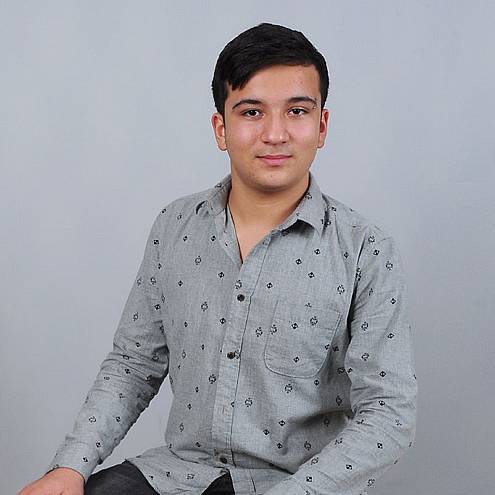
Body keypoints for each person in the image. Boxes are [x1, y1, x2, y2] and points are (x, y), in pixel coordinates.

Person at [18, 22, 417, 495]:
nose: (275, 133)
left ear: (322, 126)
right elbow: (132, 365)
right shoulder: (175, 226)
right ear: (221, 129)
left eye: (296, 111)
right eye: (251, 112)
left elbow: (389, 413)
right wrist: (68, 467)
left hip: (297, 482)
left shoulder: (365, 249)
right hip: (176, 474)